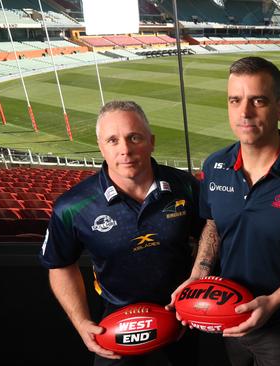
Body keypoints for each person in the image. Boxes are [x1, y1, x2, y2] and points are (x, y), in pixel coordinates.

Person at [169, 56, 280, 366]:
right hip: (227, 313)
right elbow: (212, 225)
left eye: (257, 100)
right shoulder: (214, 166)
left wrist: (275, 301)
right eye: (235, 100)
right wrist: (198, 276)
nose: (244, 112)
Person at [39, 100, 204, 365]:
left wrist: (197, 285)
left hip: (180, 317)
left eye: (134, 137)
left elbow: (210, 230)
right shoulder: (73, 206)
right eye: (113, 140)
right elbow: (60, 265)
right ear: (101, 146)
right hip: (117, 322)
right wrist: (81, 322)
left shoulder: (185, 186)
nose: (125, 150)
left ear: (151, 141)